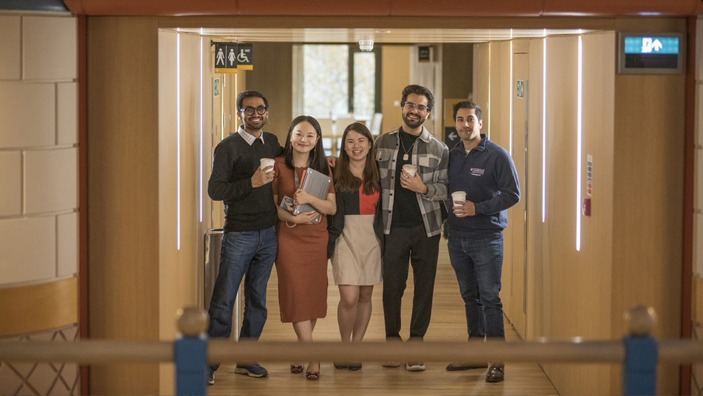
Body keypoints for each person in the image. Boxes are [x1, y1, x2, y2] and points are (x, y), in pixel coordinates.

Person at [205, 90, 282, 384]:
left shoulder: (272, 142)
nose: (255, 114)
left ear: (267, 112)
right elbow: (216, 190)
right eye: (248, 109)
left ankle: (246, 358)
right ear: (239, 113)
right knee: (223, 301)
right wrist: (250, 182)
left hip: (269, 234)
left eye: (260, 109)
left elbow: (293, 160)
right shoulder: (227, 147)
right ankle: (208, 366)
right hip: (239, 234)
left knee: (258, 301)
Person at [445, 100, 520, 383]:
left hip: (487, 238)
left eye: (470, 120)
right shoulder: (452, 155)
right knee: (470, 297)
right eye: (460, 120)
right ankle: (476, 354)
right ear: (456, 124)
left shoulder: (497, 155)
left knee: (490, 299)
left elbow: (513, 194)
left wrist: (480, 208)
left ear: (480, 123)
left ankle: (497, 361)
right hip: (457, 238)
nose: (465, 124)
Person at [375, 84, 448, 371]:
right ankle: (392, 341)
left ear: (428, 113)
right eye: (410, 105)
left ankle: (416, 343)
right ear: (402, 107)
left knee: (424, 287)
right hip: (392, 227)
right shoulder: (383, 142)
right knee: (392, 287)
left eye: (421, 107)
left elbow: (446, 188)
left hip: (426, 228)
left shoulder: (439, 149)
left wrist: (423, 187)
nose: (414, 111)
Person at [272, 115, 336, 381]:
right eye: (299, 134)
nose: (303, 140)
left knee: (312, 294)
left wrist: (309, 198)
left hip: (316, 237)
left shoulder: (323, 168)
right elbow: (273, 207)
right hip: (288, 238)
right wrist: (294, 218)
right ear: (290, 136)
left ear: (317, 140)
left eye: (310, 135)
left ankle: (301, 349)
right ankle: (313, 355)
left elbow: (331, 208)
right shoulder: (278, 166)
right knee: (295, 292)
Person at [327, 122, 383, 372]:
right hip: (345, 236)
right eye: (350, 141)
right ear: (344, 147)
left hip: (372, 237)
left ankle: (356, 348)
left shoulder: (380, 172)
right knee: (348, 296)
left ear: (370, 144)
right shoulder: (335, 171)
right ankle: (344, 346)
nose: (356, 146)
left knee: (365, 295)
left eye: (361, 140)